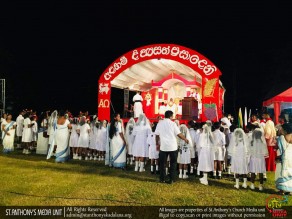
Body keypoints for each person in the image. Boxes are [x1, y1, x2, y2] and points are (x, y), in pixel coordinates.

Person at [155, 110, 189, 184]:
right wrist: (185, 139)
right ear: (171, 116)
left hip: (163, 146)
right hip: (172, 146)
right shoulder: (173, 124)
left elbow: (157, 135)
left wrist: (157, 144)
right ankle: (171, 179)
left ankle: (162, 179)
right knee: (173, 163)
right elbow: (178, 134)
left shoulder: (160, 123)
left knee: (162, 163)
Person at [275, 123, 292, 195]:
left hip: (285, 157)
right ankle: (290, 190)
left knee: (283, 173)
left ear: (284, 129)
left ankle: (282, 190)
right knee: (291, 172)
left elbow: (280, 149)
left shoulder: (281, 138)